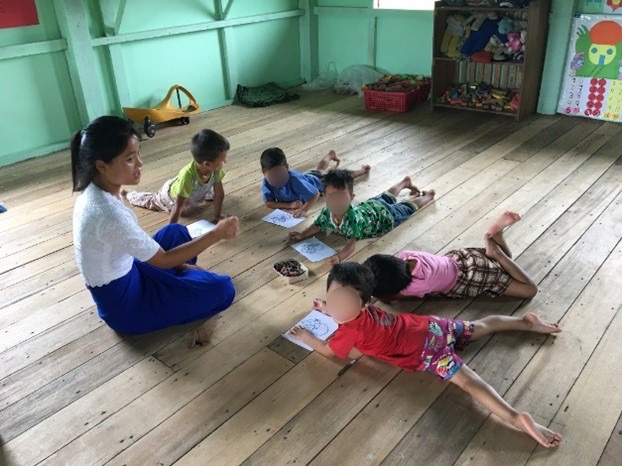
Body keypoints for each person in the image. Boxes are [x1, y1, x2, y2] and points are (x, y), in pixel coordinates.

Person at [288, 262, 563, 449]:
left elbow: (330, 352)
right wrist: (327, 308)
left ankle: (515, 417)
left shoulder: (345, 333)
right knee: (480, 326)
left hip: (426, 353)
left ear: (364, 304)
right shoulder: (364, 308)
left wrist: (307, 337)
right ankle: (524, 323)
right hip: (429, 327)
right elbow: (346, 309)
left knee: (468, 382)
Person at [71, 116, 237, 335]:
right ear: (102, 165)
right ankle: (178, 284)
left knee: (175, 231)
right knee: (223, 289)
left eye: (138, 154)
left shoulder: (98, 189)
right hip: (124, 305)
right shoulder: (107, 212)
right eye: (130, 158)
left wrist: (182, 266)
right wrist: (216, 234)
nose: (139, 163)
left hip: (132, 267)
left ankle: (178, 280)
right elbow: (164, 260)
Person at [363, 211, 538, 301]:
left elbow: (390, 298)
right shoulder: (407, 255)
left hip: (471, 277)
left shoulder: (418, 286)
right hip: (462, 257)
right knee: (506, 262)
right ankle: (496, 242)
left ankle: (498, 254)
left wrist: (379, 296)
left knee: (529, 290)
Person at [289, 169, 435, 265]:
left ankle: (428, 196)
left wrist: (339, 257)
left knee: (407, 207)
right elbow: (318, 225)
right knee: (386, 197)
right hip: (371, 207)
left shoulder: (352, 220)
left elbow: (350, 245)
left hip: (386, 217)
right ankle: (405, 182)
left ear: (351, 198)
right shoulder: (327, 212)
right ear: (325, 197)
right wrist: (303, 234)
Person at [125, 129, 229, 224]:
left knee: (210, 193)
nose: (226, 161)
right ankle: (129, 194)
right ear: (207, 164)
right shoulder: (187, 176)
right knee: (150, 201)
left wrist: (217, 216)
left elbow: (219, 194)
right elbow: (178, 207)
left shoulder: (215, 169)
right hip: (169, 198)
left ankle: (196, 193)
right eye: (223, 160)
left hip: (191, 191)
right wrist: (171, 230)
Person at [261, 147, 371, 217]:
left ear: (287, 168)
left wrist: (304, 210)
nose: (277, 179)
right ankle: (330, 155)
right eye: (273, 176)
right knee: (320, 170)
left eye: (280, 174)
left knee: (341, 177)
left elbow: (315, 194)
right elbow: (269, 203)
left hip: (319, 182)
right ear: (264, 173)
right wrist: (289, 205)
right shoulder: (266, 183)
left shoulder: (295, 180)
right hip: (309, 178)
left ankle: (362, 170)